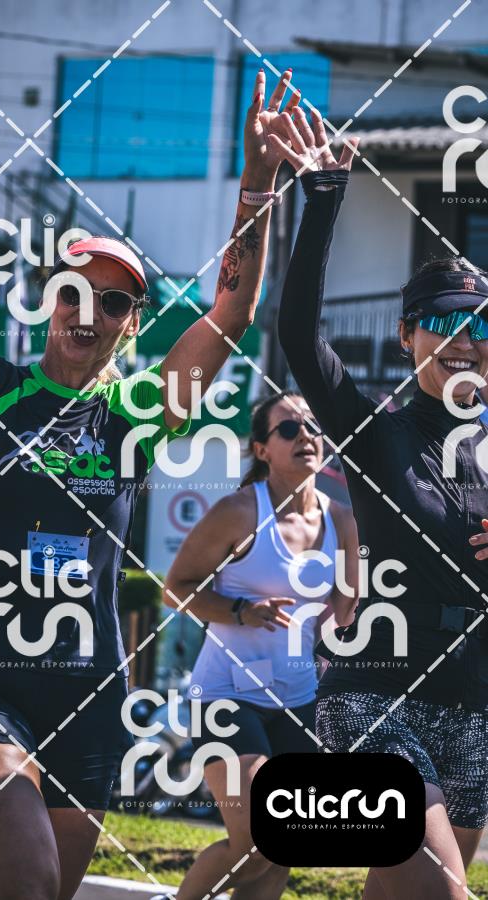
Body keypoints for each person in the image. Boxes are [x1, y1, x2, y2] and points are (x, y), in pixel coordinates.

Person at [0, 69, 298, 900]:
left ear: (132, 324)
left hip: (85, 690)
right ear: (49, 299)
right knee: (28, 876)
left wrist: (256, 186)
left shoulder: (135, 417)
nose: (90, 312)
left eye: (114, 303)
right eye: (75, 292)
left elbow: (230, 315)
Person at [275, 104, 488, 898]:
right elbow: (299, 337)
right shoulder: (374, 431)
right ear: (407, 336)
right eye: (442, 321)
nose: (463, 339)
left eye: (479, 323)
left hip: (474, 707)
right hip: (374, 697)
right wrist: (324, 198)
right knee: (446, 892)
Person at [162, 392, 357, 900]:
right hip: (225, 695)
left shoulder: (342, 520)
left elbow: (346, 611)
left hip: (298, 699)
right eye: (288, 429)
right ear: (262, 450)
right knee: (253, 843)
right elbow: (175, 588)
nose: (305, 436)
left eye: (312, 425)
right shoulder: (240, 511)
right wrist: (240, 611)